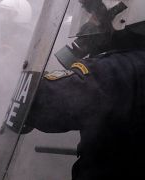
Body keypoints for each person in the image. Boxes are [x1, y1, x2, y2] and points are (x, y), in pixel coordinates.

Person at [26, 0, 145, 179]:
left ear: (123, 18)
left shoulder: (111, 70)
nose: (88, 23)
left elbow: (39, 104)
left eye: (95, 14)